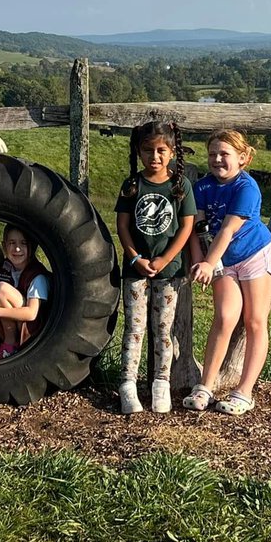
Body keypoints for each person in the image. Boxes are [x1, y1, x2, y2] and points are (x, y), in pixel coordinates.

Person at [182, 129, 271, 416]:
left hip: (253, 256)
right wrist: (200, 260)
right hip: (222, 259)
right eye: (212, 154)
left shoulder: (246, 187)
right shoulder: (201, 187)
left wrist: (209, 263)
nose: (217, 159)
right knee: (224, 317)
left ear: (242, 158)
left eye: (224, 154)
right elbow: (197, 228)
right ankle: (205, 386)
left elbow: (228, 229)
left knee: (254, 321)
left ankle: (245, 391)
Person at [114, 120, 196, 414]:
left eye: (162, 150)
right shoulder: (132, 185)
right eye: (148, 150)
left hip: (169, 269)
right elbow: (122, 225)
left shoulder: (180, 185)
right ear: (138, 151)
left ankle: (161, 383)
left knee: (163, 329)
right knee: (134, 327)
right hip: (135, 269)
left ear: (172, 152)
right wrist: (135, 256)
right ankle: (128, 384)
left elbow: (186, 227)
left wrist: (164, 258)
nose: (155, 156)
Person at [0, 225, 50, 360]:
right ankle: (9, 345)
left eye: (23, 243)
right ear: (4, 246)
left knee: (1, 289)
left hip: (31, 328)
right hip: (14, 322)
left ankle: (10, 344)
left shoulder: (36, 275)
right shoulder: (5, 268)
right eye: (12, 243)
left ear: (31, 247)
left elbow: (31, 313)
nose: (17, 249)